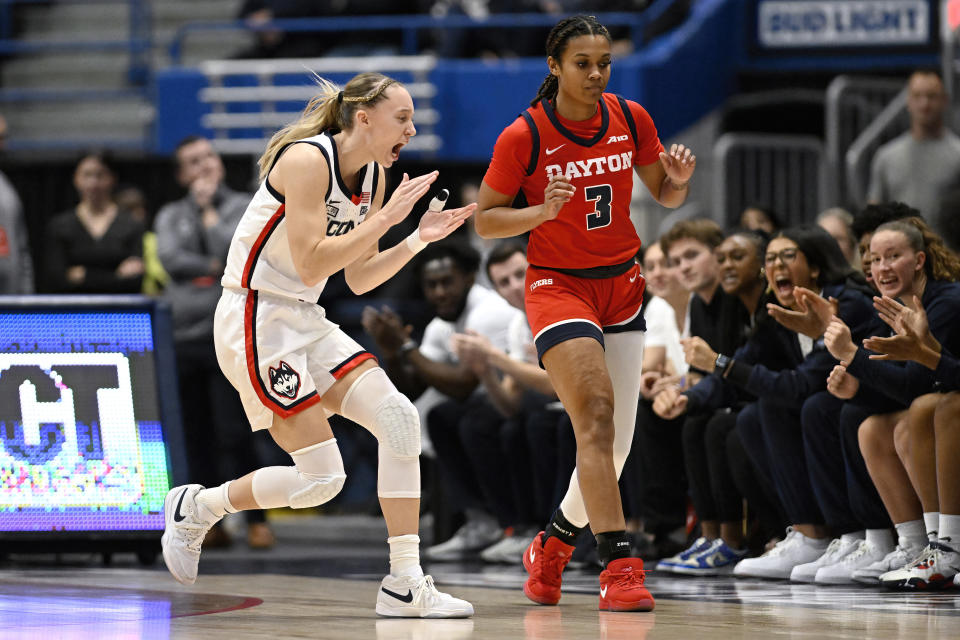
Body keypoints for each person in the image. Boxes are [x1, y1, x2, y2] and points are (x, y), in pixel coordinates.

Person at [159, 71, 476, 618]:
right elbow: (310, 261)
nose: (412, 128)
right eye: (402, 118)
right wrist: (389, 217)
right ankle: (199, 506)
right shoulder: (306, 160)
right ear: (364, 118)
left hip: (305, 315)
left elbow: (357, 277)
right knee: (322, 481)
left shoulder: (375, 178)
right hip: (254, 315)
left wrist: (416, 238)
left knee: (399, 419)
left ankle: (405, 582)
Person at [475, 15, 696, 611]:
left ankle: (550, 546)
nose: (595, 74)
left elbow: (663, 194)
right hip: (557, 286)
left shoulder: (630, 117)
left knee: (615, 446)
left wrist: (675, 185)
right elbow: (485, 218)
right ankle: (619, 567)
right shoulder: (524, 135)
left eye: (604, 63)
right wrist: (539, 213)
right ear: (554, 66)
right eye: (582, 64)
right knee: (595, 419)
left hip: (623, 285)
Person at [155, 136, 276, 550]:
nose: (203, 166)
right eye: (192, 162)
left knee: (236, 433)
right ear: (180, 174)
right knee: (196, 435)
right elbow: (170, 259)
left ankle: (257, 519)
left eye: (208, 157)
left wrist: (209, 217)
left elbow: (239, 254)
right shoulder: (170, 214)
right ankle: (208, 522)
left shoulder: (245, 204)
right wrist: (212, 264)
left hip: (227, 336)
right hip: (183, 337)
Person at [867, 70, 960, 233]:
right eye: (917, 96)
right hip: (900, 255)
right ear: (908, 101)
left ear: (944, 101)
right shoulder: (886, 157)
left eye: (931, 96)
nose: (924, 104)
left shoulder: (957, 154)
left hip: (949, 255)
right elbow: (873, 215)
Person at [44, 152, 144, 293]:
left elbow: (135, 279)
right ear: (76, 179)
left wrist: (84, 275)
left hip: (120, 310)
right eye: (86, 175)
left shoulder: (131, 224)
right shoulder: (60, 225)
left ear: (113, 178)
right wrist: (116, 276)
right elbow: (56, 278)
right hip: (73, 311)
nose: (93, 183)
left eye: (100, 175)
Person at [0, 113, 33, 294]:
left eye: (4, 138)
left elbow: (21, 247)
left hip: (10, 300)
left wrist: (27, 297)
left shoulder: (6, 189)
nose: (3, 145)